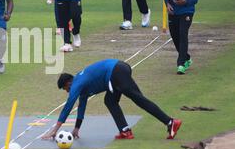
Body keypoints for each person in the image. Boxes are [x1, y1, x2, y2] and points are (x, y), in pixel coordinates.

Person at [42, 59, 182, 140]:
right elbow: (81, 105)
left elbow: (68, 106)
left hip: (115, 72)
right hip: (118, 69)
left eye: (66, 89)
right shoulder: (82, 87)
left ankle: (171, 122)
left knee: (139, 100)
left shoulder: (77, 83)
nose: (68, 92)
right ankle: (125, 130)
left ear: (68, 83)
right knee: (110, 101)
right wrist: (77, 128)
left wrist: (55, 129)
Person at [163, 0, 199, 75]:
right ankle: (187, 58)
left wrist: (185, 2)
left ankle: (181, 64)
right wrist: (167, 3)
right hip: (173, 11)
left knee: (183, 34)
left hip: (186, 11)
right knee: (175, 36)